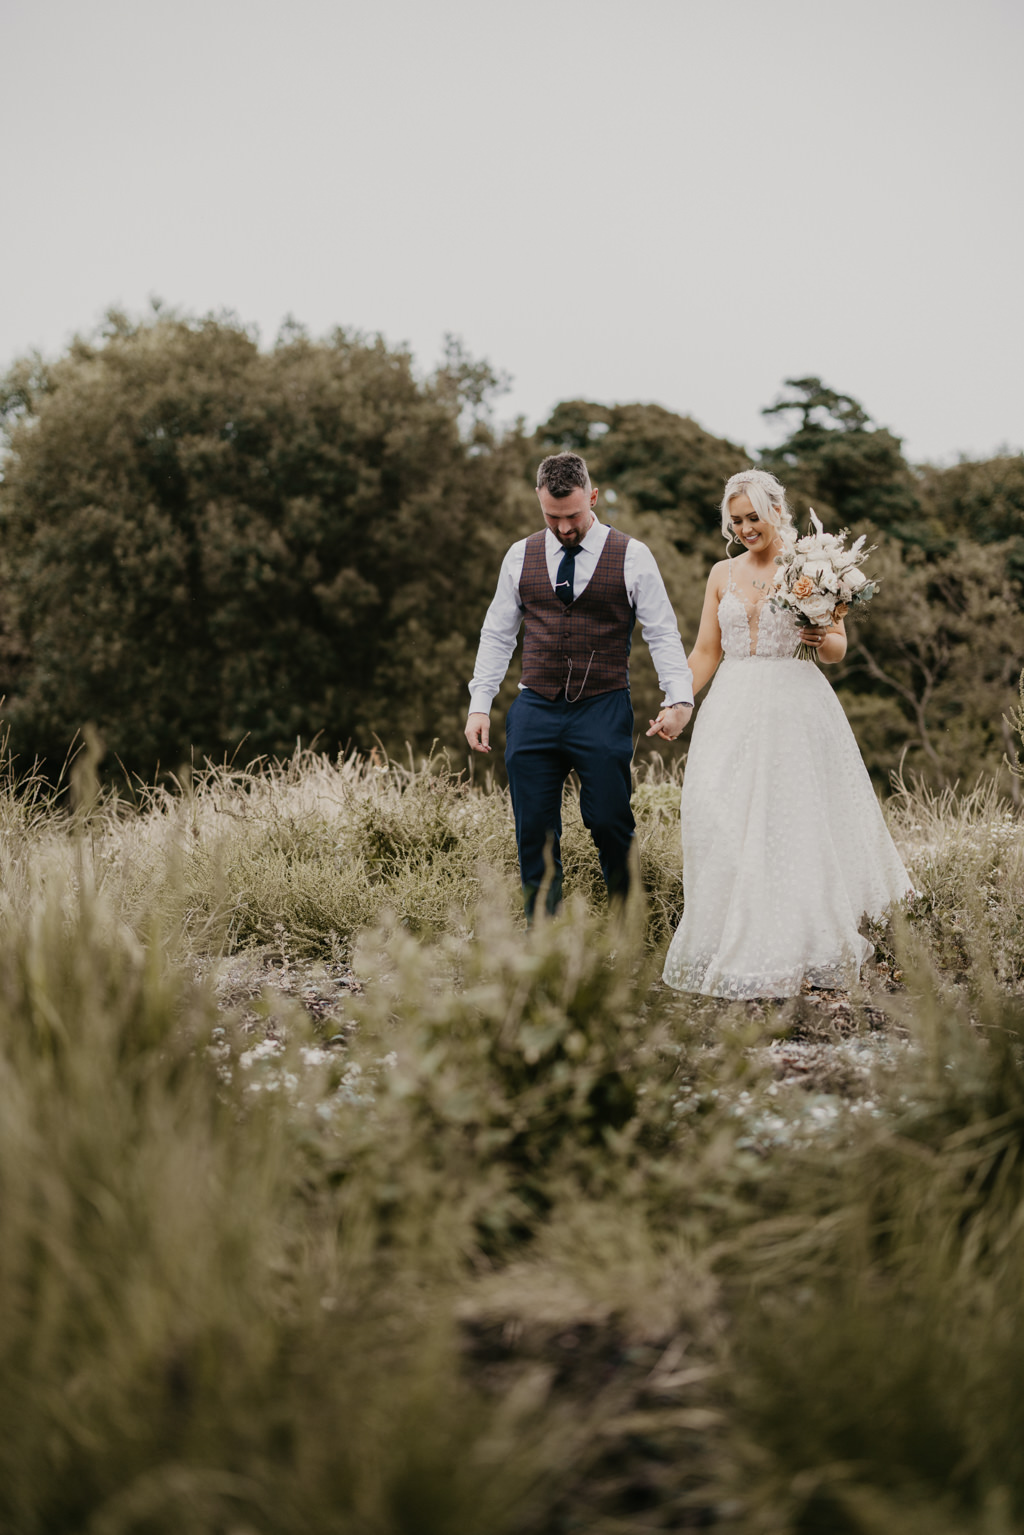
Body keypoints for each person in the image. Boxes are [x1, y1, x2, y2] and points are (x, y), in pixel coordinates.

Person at [662, 468, 913, 999]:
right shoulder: (720, 574)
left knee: (789, 822)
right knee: (721, 815)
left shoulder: (812, 566)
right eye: (737, 520)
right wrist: (678, 701)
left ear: (777, 510)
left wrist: (820, 635)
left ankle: (794, 944)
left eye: (755, 517)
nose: (747, 528)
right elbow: (707, 651)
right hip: (731, 707)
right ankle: (730, 934)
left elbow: (838, 648)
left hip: (795, 707)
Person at [465, 450, 694, 918]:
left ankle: (628, 930)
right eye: (552, 516)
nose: (564, 527)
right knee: (533, 828)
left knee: (609, 820)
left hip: (603, 706)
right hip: (534, 708)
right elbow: (497, 633)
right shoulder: (519, 555)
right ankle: (543, 939)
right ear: (538, 500)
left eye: (572, 515)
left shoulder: (632, 555)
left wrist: (679, 698)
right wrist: (479, 703)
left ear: (592, 496)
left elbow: (662, 632)